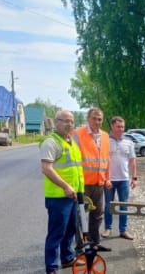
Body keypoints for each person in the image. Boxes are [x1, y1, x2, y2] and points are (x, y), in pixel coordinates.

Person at [40, 110, 84, 274]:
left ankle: (67, 259)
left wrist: (79, 191)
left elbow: (76, 169)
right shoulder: (51, 142)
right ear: (56, 122)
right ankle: (51, 267)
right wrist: (65, 186)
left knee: (71, 230)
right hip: (58, 197)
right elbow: (46, 168)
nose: (69, 124)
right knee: (56, 233)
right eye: (65, 121)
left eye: (71, 121)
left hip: (73, 195)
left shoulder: (71, 142)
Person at [73, 107, 112, 252]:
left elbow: (106, 159)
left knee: (97, 215)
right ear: (88, 119)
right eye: (94, 118)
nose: (97, 121)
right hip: (83, 184)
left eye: (100, 119)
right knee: (81, 216)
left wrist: (107, 178)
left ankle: (94, 244)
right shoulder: (78, 134)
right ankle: (81, 246)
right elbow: (74, 160)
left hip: (99, 183)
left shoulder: (105, 136)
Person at [101, 116, 137, 240]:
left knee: (124, 205)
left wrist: (134, 178)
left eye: (122, 127)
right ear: (112, 127)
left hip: (124, 180)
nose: (121, 129)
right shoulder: (105, 141)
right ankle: (108, 228)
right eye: (118, 127)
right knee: (108, 205)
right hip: (109, 179)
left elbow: (132, 161)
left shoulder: (129, 142)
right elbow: (102, 161)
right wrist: (105, 178)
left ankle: (123, 230)